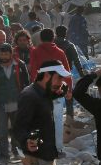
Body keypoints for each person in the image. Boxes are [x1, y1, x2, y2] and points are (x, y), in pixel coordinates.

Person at [30, 29, 72, 157]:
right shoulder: (60, 52)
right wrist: (69, 90)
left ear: (41, 39)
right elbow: (67, 72)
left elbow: (33, 71)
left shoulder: (35, 52)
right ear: (53, 38)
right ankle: (58, 149)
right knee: (58, 120)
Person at [0, 43, 30, 163]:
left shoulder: (19, 65)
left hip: (17, 102)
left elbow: (27, 84)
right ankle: (4, 155)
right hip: (0, 103)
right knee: (1, 130)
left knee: (18, 128)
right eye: (2, 53)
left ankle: (18, 152)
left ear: (11, 53)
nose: (4, 56)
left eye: (6, 53)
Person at [55, 25, 84, 119]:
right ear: (66, 34)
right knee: (68, 96)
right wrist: (82, 74)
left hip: (52, 75)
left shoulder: (52, 45)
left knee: (54, 98)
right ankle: (69, 117)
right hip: (65, 74)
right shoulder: (70, 45)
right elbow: (77, 61)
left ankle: (55, 118)